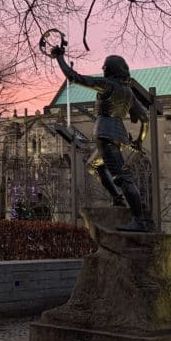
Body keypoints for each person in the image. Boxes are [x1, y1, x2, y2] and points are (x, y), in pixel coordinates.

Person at [50, 45, 152, 232]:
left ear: (110, 69)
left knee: (123, 177)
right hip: (117, 136)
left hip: (106, 134)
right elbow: (145, 119)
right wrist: (139, 140)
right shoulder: (128, 92)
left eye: (105, 67)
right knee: (93, 165)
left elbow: (74, 77)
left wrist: (59, 58)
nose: (102, 70)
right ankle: (118, 198)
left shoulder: (107, 86)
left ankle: (140, 221)